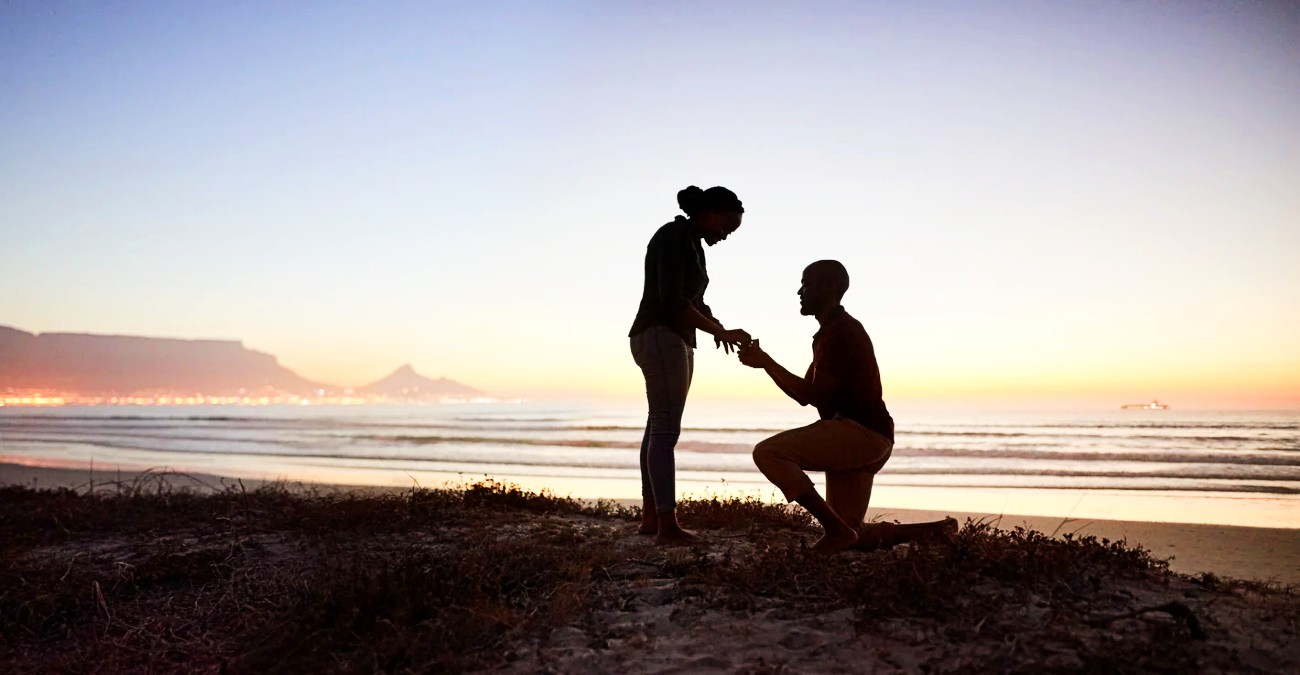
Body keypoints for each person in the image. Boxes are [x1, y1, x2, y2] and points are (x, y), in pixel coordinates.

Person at [737, 260, 956, 554]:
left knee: (768, 453)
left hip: (857, 434)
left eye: (807, 283)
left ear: (829, 288)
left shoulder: (841, 332)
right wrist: (765, 364)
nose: (799, 291)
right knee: (854, 535)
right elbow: (805, 395)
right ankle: (934, 531)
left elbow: (814, 395)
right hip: (874, 438)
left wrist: (766, 362)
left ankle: (836, 529)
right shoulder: (831, 332)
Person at [629, 186, 751, 545]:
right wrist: (718, 330)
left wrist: (721, 328)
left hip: (675, 337)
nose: (725, 235)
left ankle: (652, 518)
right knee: (665, 431)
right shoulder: (673, 236)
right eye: (726, 226)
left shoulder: (693, 244)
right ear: (709, 212)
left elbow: (695, 300)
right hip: (660, 335)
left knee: (657, 428)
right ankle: (667, 525)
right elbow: (671, 300)